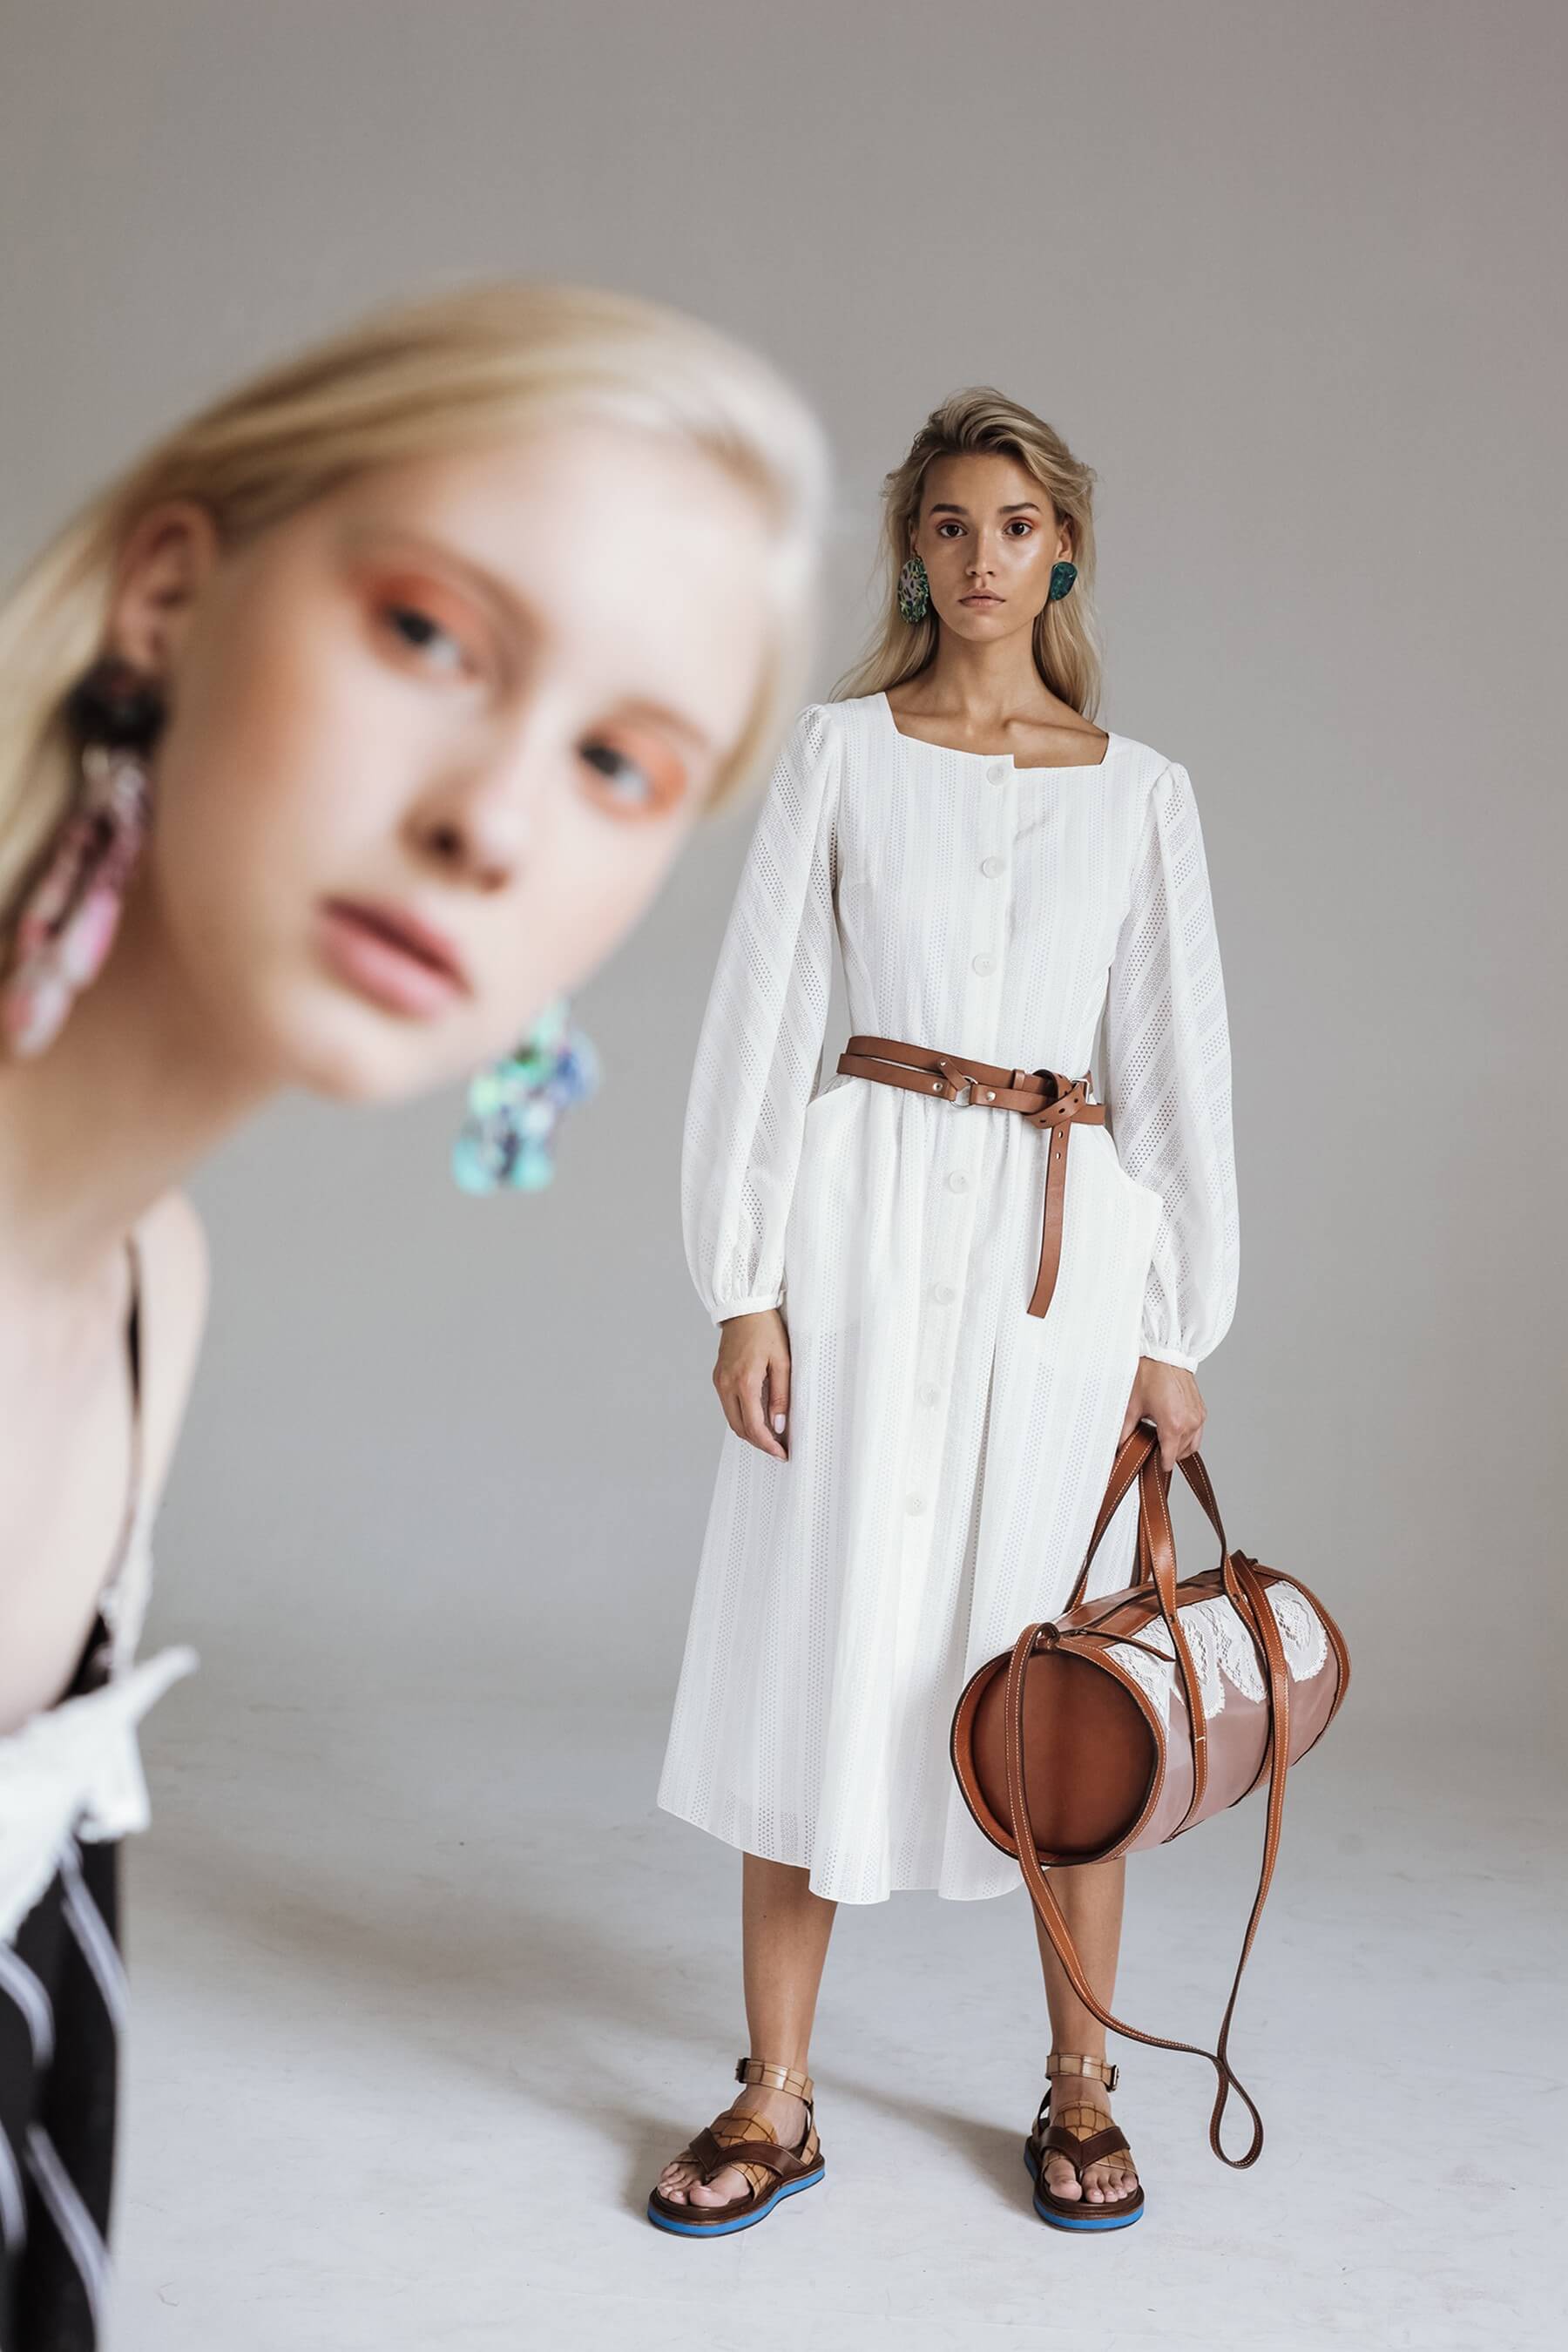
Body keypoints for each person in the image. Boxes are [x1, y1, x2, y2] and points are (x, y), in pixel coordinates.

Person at [0, 279, 827, 2344]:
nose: (493, 824)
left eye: (623, 765)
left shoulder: (145, 1297)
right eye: (430, 637)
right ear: (169, 596)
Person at [652, 388, 1239, 2237]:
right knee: (816, 1635)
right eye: (949, 524)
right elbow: (762, 1018)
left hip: (1061, 1266)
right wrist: (745, 1286)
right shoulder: (840, 755)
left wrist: (1173, 1326)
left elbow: (1174, 1075)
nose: (983, 558)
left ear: (1064, 551)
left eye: (1016, 525)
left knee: (1065, 1684)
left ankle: (1082, 2084)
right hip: (860, 1233)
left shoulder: (1142, 795)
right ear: (912, 553)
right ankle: (776, 2095)